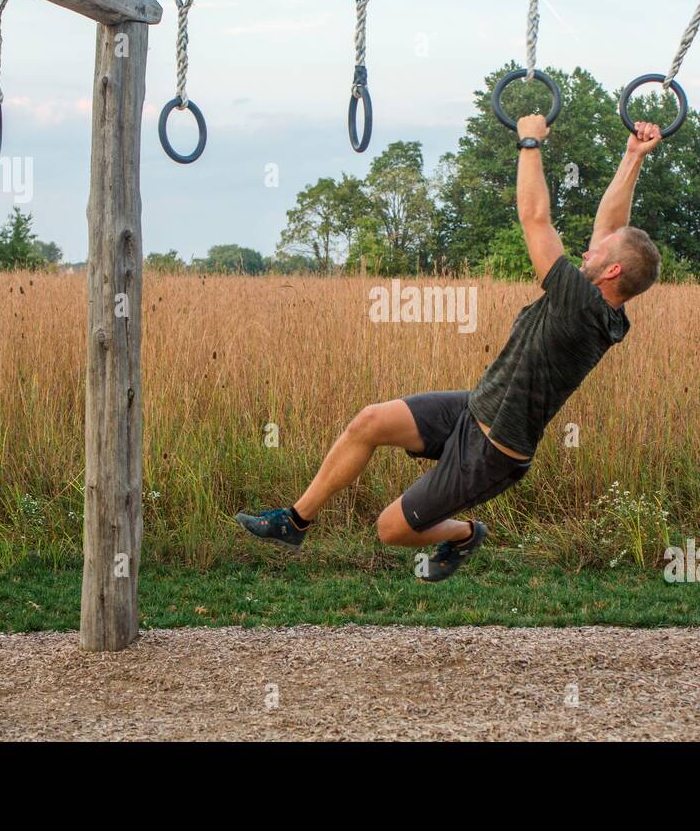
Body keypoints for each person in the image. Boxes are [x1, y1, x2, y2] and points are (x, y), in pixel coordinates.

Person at [236, 116, 663, 580]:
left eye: (599, 253)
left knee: (390, 529)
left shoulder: (579, 305)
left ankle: (463, 534)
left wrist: (530, 143)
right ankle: (294, 522)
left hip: (492, 451)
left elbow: (534, 218)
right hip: (474, 407)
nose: (588, 251)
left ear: (613, 273)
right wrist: (632, 157)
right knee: (370, 420)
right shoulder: (604, 304)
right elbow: (612, 229)